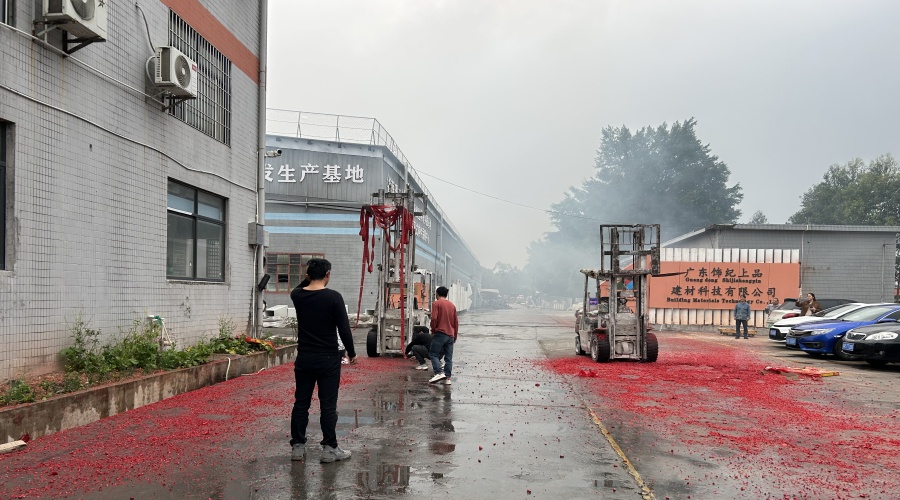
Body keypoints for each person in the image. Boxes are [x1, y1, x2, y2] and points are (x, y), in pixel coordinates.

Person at [289, 258, 357, 463]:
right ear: (328, 274)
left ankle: (298, 447)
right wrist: (352, 353)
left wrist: (309, 277)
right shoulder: (333, 297)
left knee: (301, 403)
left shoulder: (298, 296)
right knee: (328, 405)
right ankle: (329, 449)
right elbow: (343, 328)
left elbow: (299, 286)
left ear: (308, 275)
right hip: (328, 359)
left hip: (304, 358)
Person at [428, 286, 459, 385]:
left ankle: (439, 373)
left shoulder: (436, 304)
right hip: (451, 335)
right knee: (448, 358)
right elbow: (456, 322)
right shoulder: (452, 305)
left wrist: (433, 330)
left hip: (440, 333)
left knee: (433, 354)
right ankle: (447, 378)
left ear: (437, 294)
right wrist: (455, 336)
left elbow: (434, 318)